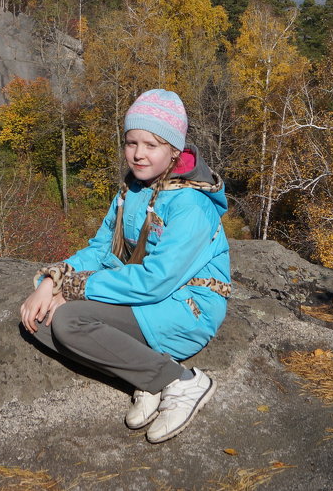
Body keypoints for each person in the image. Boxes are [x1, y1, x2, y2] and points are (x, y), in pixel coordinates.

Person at [19, 89, 230, 443]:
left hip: (185, 306)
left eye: (152, 144)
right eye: (132, 142)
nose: (138, 154)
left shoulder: (192, 204)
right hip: (144, 297)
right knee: (36, 319)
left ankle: (182, 383)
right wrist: (51, 280)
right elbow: (102, 250)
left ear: (174, 149)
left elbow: (156, 281)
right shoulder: (131, 191)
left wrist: (76, 289)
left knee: (69, 321)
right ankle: (147, 375)